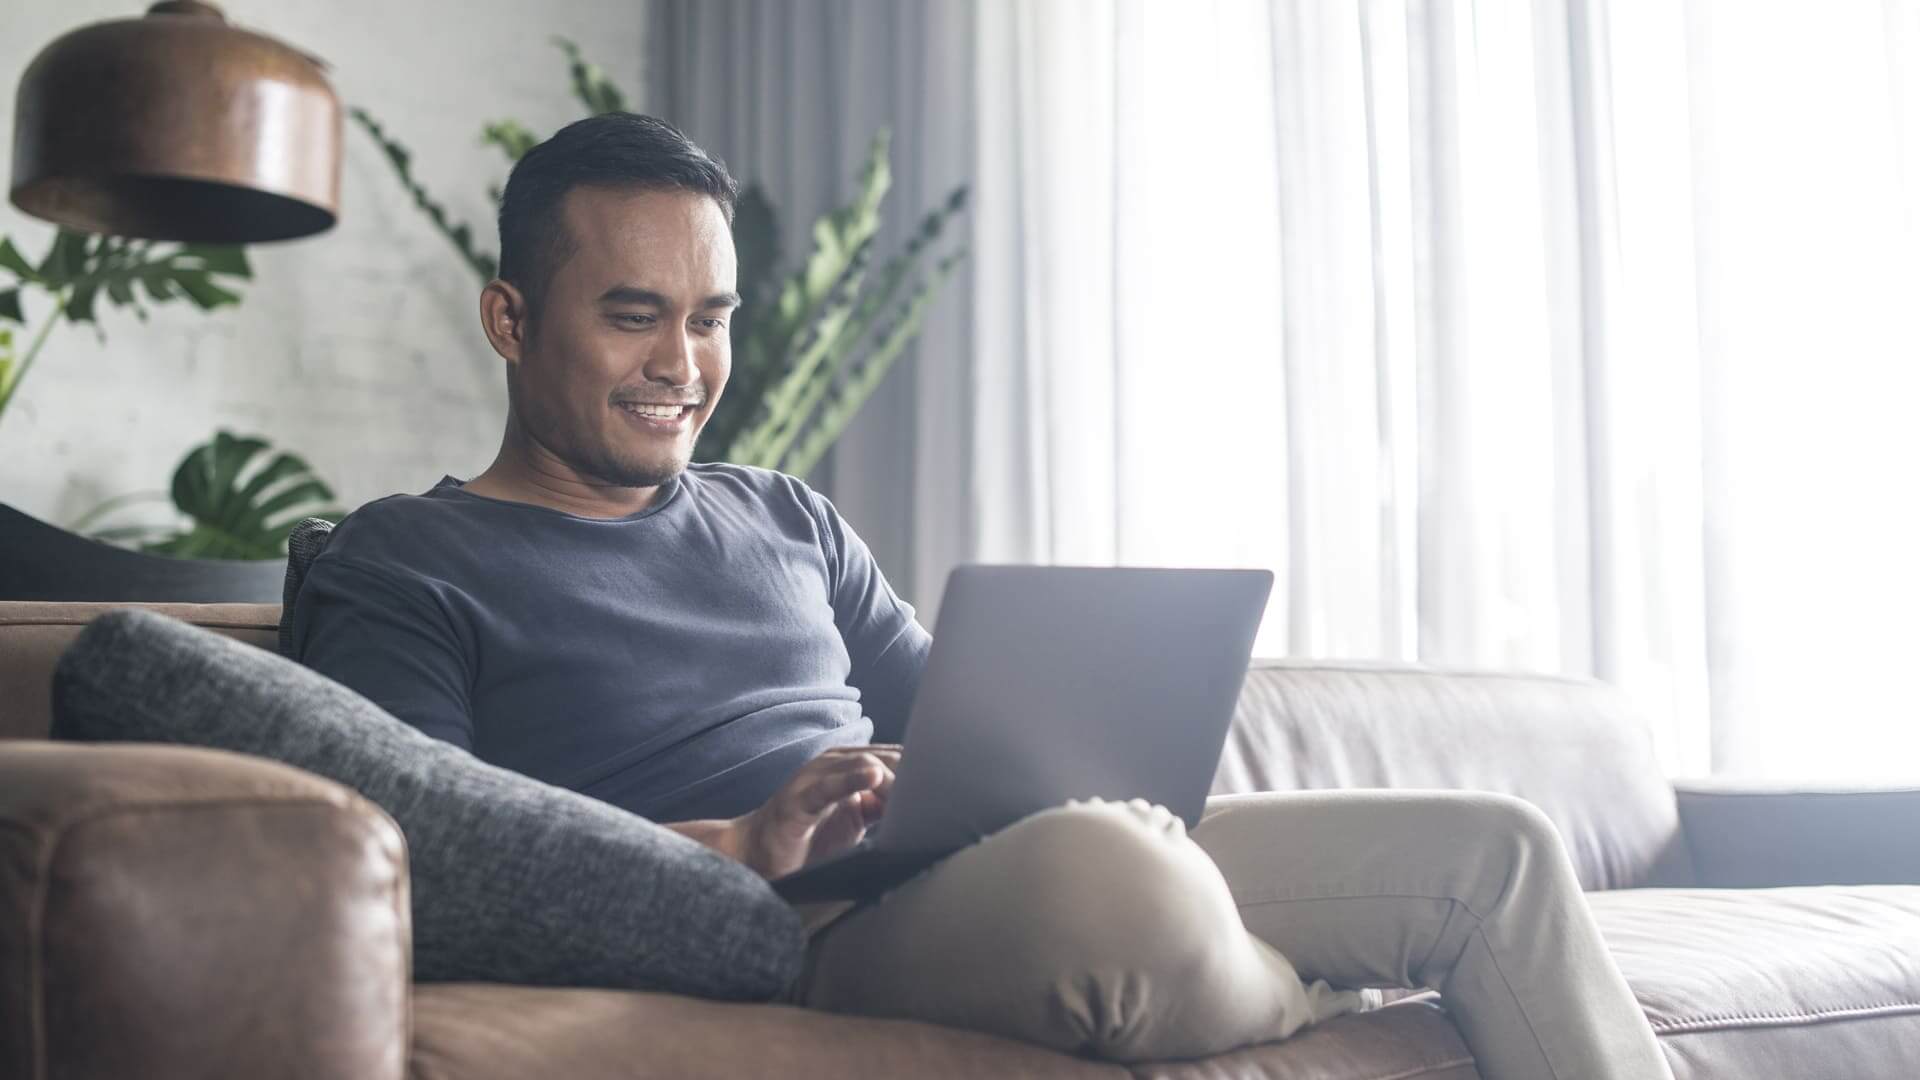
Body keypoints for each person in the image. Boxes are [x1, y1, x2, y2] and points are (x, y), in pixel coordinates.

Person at [290, 112, 1673, 1079]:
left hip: (978, 877)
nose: (683, 363)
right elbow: (427, 862)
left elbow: (980, 735)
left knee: (1490, 851)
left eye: (711, 317)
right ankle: (1304, 978)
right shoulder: (404, 563)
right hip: (782, 929)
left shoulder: (783, 514)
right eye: (633, 312)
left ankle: (1230, 941)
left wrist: (1011, 762)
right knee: (1120, 879)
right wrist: (736, 843)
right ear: (513, 319)